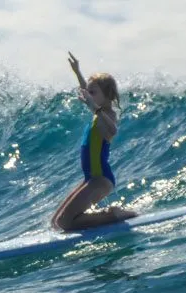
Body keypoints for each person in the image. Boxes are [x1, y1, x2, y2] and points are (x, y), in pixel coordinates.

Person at [51, 52, 137, 231]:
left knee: (65, 223)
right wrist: (77, 72)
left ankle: (113, 214)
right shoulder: (98, 110)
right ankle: (107, 215)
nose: (88, 95)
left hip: (101, 179)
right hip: (90, 178)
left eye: (93, 92)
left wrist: (95, 108)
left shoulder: (107, 115)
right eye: (88, 92)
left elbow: (113, 131)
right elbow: (88, 92)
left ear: (107, 96)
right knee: (56, 222)